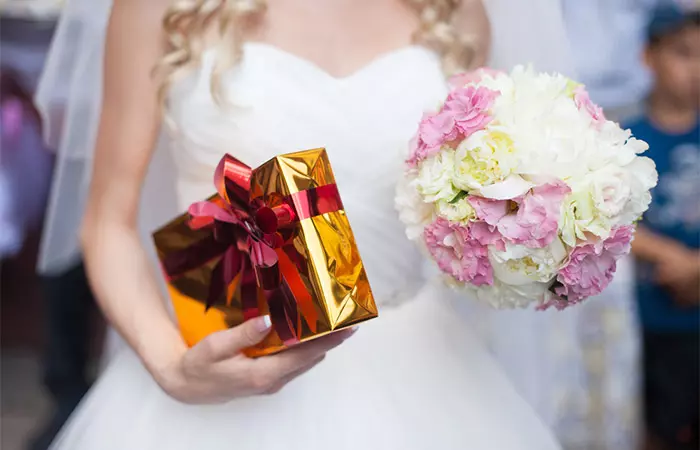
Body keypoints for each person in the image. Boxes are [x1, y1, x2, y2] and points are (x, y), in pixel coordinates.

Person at [38, 0, 575, 448]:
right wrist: (171, 366)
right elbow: (107, 222)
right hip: (227, 354)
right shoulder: (164, 6)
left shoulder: (455, 13)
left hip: (421, 363)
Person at [626, 6, 700, 450]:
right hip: (654, 315)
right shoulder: (628, 139)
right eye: (684, 53)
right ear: (648, 57)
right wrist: (673, 259)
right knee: (662, 426)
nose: (696, 69)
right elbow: (616, 221)